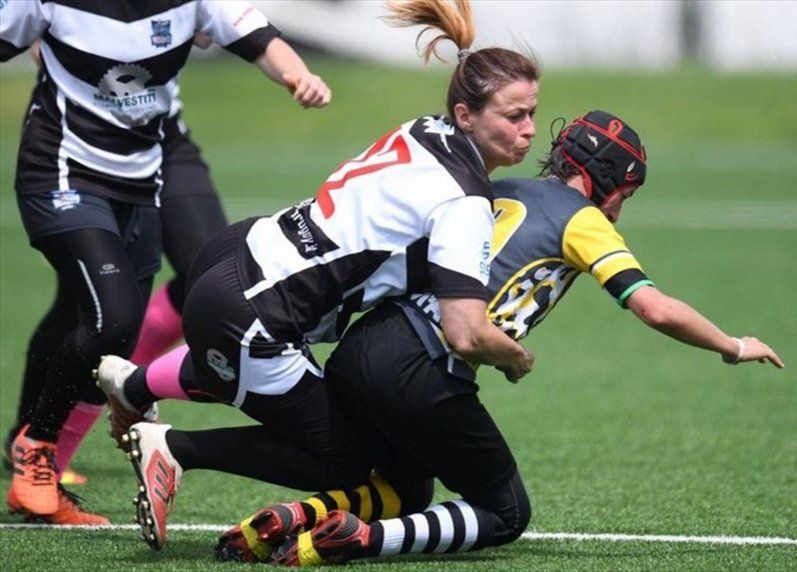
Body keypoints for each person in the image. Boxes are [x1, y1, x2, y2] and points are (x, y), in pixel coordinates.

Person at [215, 110, 784, 566]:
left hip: (362, 347)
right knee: (505, 511)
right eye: (624, 195)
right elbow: (655, 309)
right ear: (602, 180)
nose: (619, 209)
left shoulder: (491, 185)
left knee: (406, 488)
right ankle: (354, 543)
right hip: (423, 366)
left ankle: (289, 522)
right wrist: (731, 346)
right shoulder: (584, 220)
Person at [95, 0, 540, 551]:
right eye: (514, 116)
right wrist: (513, 356)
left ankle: (134, 384)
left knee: (258, 379)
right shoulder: (465, 200)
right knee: (348, 457)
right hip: (257, 315)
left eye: (532, 114)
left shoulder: (423, 130)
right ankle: (176, 448)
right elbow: (465, 330)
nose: (529, 131)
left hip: (238, 253)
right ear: (466, 114)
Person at [1, 0, 332, 524]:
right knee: (112, 316)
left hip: (146, 171)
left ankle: (114, 399)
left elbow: (260, 39)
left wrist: (299, 77)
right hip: (61, 172)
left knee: (117, 309)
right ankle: (37, 449)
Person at [2, 34, 227, 491]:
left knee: (214, 274)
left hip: (163, 139)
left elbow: (211, 28)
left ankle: (126, 380)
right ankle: (32, 439)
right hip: (84, 150)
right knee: (89, 306)